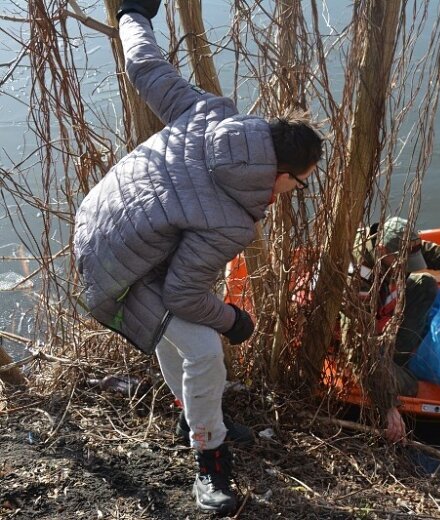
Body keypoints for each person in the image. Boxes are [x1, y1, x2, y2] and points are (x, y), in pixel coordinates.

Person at [73, 1, 323, 514]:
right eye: (297, 183)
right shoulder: (232, 218)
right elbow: (182, 294)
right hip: (118, 272)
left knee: (175, 335)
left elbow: (145, 67)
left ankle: (191, 412)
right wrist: (234, 320)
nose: (291, 193)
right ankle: (211, 462)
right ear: (280, 168)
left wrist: (132, 13)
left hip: (96, 225)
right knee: (206, 349)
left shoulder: (211, 115)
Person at [351, 217, 440, 441]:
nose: (406, 266)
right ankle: (388, 366)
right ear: (382, 249)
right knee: (411, 385)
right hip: (355, 340)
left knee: (424, 283)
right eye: (402, 261)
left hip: (378, 312)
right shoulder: (358, 276)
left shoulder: (388, 242)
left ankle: (397, 355)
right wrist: (387, 406)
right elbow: (354, 350)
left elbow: (427, 252)